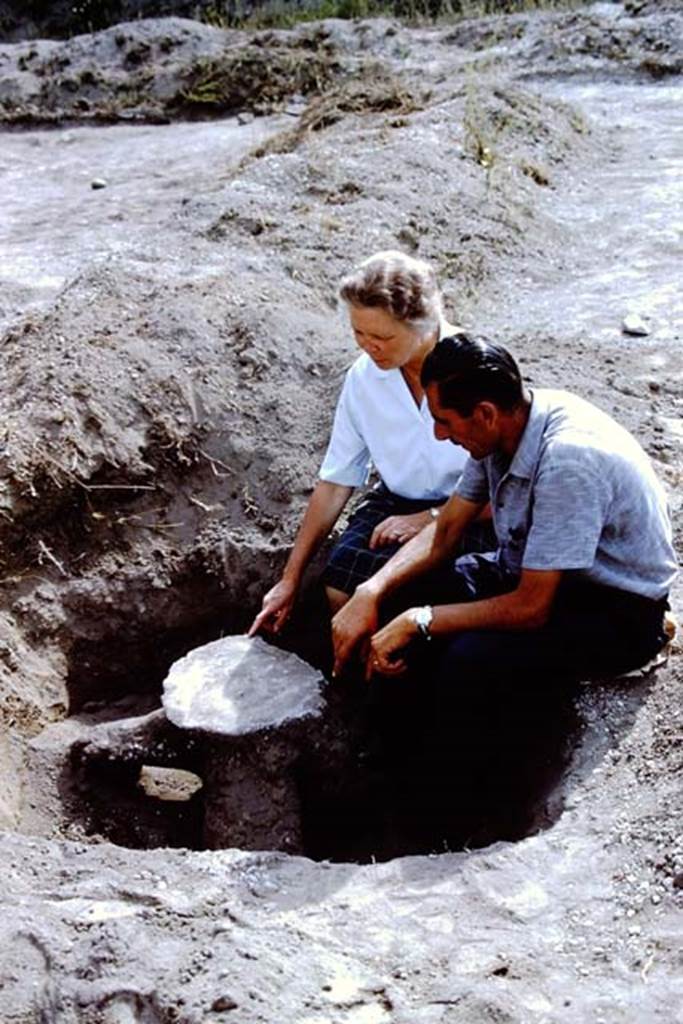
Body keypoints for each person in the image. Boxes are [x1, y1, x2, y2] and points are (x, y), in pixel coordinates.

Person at [330, 332, 677, 848]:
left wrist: (419, 620)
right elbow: (446, 532)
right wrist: (372, 593)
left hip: (615, 608)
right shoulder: (503, 432)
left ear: (486, 413)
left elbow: (532, 608)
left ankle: (448, 824)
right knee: (406, 598)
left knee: (471, 661)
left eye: (445, 422)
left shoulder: (567, 461)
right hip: (537, 573)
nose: (441, 436)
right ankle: (387, 770)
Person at [249, 252, 489, 638]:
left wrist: (430, 519)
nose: (368, 347)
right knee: (341, 579)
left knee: (433, 588)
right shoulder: (363, 379)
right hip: (396, 499)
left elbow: (512, 485)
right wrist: (289, 580)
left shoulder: (476, 368)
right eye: (359, 333)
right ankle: (354, 681)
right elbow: (336, 481)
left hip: (475, 508)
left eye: (382, 337)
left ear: (424, 325)